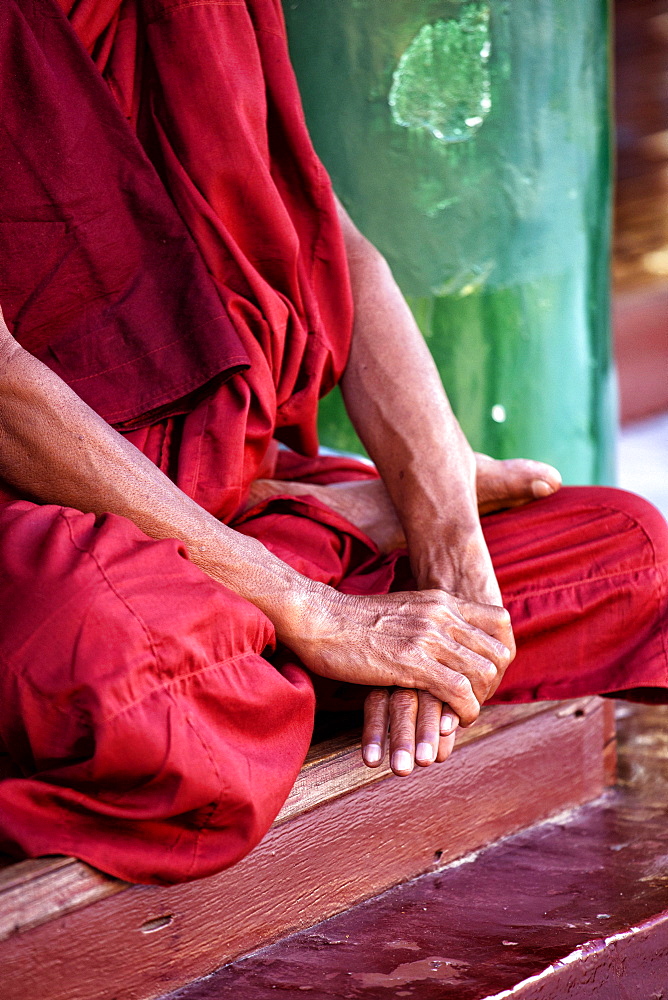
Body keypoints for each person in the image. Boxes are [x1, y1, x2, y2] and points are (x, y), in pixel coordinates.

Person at [0, 0, 666, 886]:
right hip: (69, 526)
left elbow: (331, 237)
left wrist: (457, 577)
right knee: (124, 677)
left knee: (627, 550)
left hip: (223, 505)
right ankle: (319, 568)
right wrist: (315, 612)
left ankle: (304, 601)